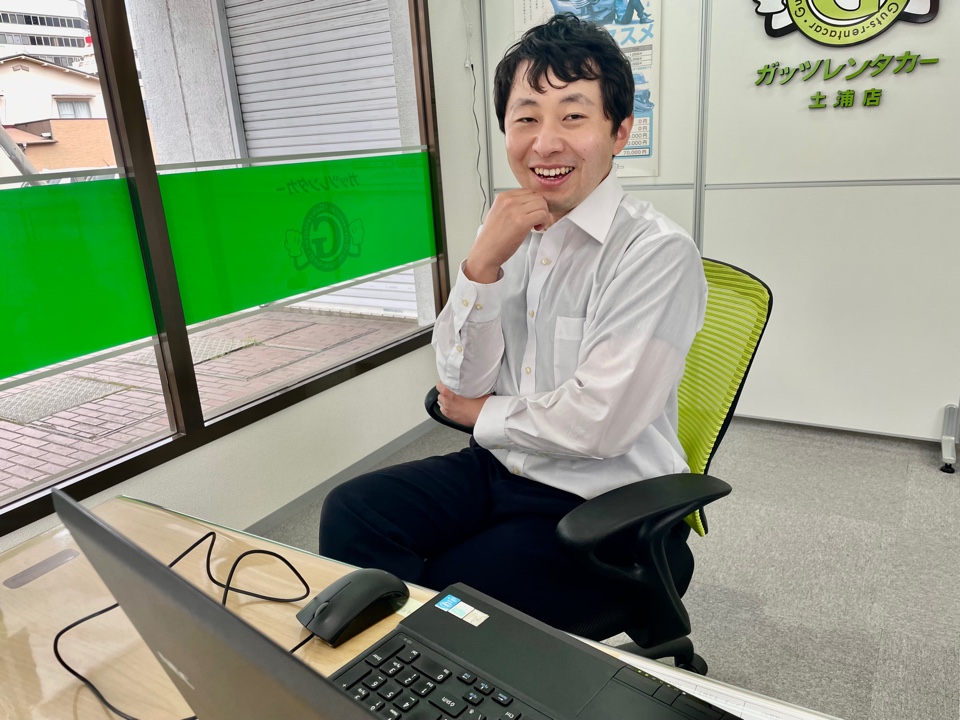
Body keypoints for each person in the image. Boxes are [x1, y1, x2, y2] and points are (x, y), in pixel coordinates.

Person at [319, 13, 706, 632]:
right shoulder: (506, 231)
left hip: (607, 503)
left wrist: (480, 413)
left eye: (573, 116)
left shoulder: (654, 253)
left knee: (452, 596)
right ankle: (397, 669)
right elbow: (459, 382)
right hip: (504, 466)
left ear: (620, 131)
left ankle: (431, 665)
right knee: (354, 511)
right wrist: (482, 266)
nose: (544, 143)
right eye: (526, 118)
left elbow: (601, 423)